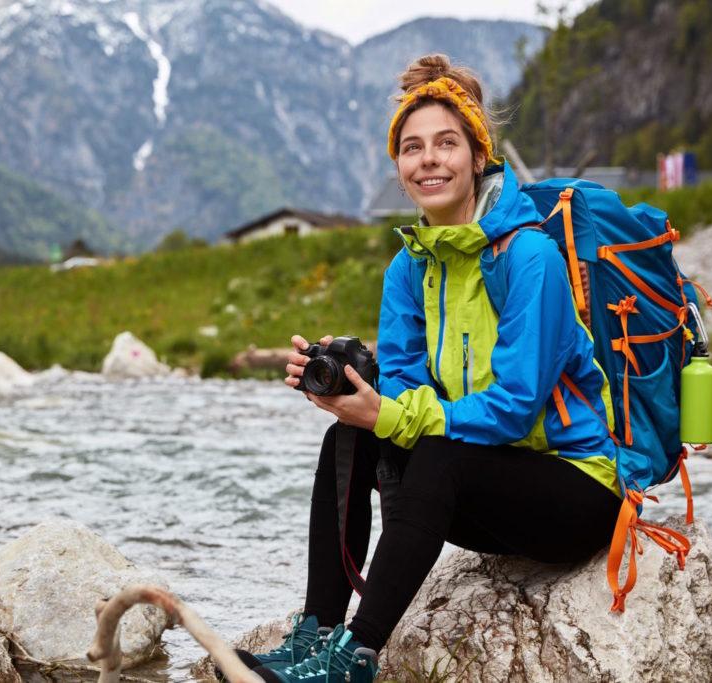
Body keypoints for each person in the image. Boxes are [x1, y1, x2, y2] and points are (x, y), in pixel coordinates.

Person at [237, 54, 623, 683]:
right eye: (412, 148)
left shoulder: (530, 259)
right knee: (348, 438)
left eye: (447, 143)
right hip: (483, 490)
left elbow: (516, 406)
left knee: (438, 451)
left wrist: (392, 411)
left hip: (574, 492)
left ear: (478, 155)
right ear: (399, 168)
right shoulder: (410, 269)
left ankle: (354, 659)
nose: (429, 160)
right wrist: (356, 386)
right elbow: (414, 396)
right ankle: (318, 633)